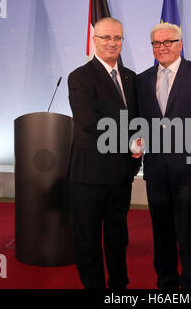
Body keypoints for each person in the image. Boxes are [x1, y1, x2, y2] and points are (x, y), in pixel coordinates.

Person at [136, 23, 191, 289]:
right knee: (162, 235)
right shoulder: (142, 79)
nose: (162, 48)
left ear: (180, 44)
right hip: (156, 171)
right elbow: (139, 122)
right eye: (156, 44)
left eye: (168, 42)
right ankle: (167, 286)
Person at [68, 17, 140, 289]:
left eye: (117, 38)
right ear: (94, 40)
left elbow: (136, 120)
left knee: (118, 237)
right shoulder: (81, 77)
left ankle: (119, 287)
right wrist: (130, 143)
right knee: (88, 240)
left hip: (122, 173)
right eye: (106, 37)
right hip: (90, 174)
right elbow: (90, 122)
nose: (112, 42)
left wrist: (140, 141)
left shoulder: (130, 77)